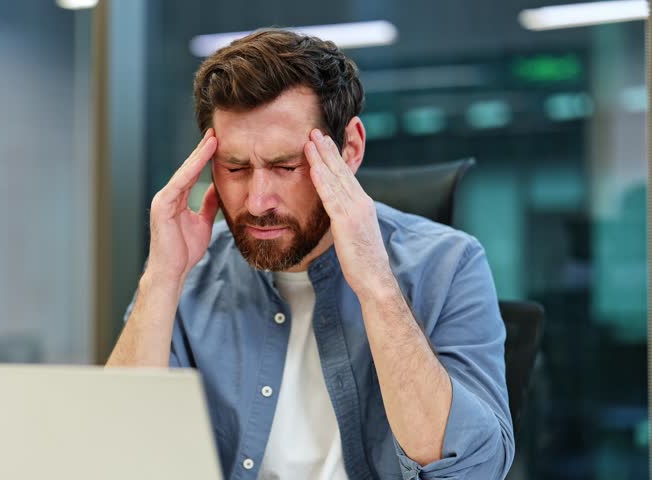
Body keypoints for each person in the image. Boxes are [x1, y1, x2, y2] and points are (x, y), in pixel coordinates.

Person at [107, 29, 514, 480]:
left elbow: (474, 470)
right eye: (236, 168)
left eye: (286, 167)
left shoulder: (448, 265)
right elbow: (115, 456)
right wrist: (160, 281)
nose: (259, 200)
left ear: (350, 149)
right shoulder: (190, 274)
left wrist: (377, 286)